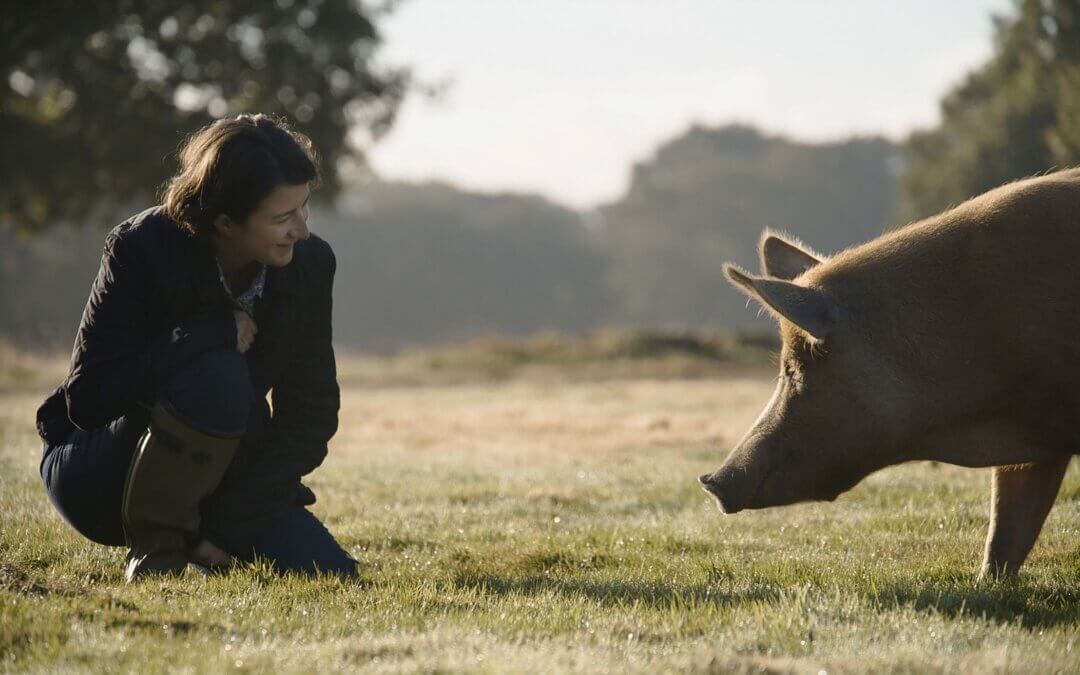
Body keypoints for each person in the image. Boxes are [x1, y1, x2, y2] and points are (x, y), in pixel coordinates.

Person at [35, 113, 357, 581]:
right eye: (283, 218)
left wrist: (229, 530)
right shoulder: (140, 247)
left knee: (330, 573)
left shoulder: (310, 264)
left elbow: (311, 414)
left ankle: (202, 540)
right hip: (101, 472)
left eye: (304, 208)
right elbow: (89, 399)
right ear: (225, 222)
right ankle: (158, 551)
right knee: (218, 373)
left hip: (225, 474)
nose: (301, 230)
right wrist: (206, 334)